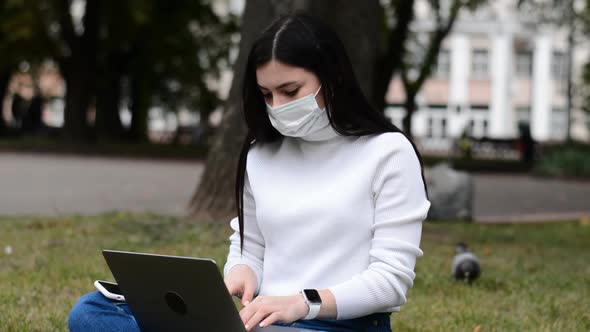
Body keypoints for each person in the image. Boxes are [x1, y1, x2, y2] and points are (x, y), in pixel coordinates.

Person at [68, 12, 430, 332]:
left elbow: (390, 281)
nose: (278, 107)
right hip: (257, 319)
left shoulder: (387, 153)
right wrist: (240, 272)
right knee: (91, 311)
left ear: (332, 77)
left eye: (290, 91)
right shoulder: (261, 153)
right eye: (266, 94)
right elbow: (248, 246)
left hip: (338, 325)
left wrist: (302, 303)